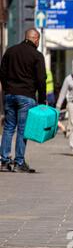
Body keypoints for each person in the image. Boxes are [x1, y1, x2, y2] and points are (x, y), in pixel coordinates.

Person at [0, 28, 46, 173]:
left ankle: (4, 160)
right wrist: (42, 99)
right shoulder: (36, 55)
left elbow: (2, 72)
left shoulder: (10, 51)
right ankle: (19, 162)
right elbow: (41, 79)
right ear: (36, 39)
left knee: (8, 128)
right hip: (26, 96)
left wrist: (7, 89)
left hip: (9, 95)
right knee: (22, 130)